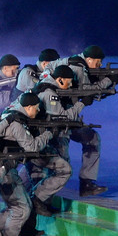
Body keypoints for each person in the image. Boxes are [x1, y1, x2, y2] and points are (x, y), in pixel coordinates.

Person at [0, 93, 72, 218]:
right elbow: (32, 148)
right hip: (6, 168)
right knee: (20, 207)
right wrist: (49, 133)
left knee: (23, 204)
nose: (38, 109)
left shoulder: (15, 111)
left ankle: (37, 204)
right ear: (28, 107)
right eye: (36, 107)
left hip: (13, 162)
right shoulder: (17, 122)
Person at [34, 64, 106, 196]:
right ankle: (37, 195)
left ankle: (87, 183)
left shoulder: (59, 88)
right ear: (60, 79)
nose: (71, 83)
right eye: (69, 81)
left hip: (65, 127)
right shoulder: (49, 93)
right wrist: (82, 103)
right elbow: (62, 117)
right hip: (52, 132)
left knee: (93, 138)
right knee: (61, 167)